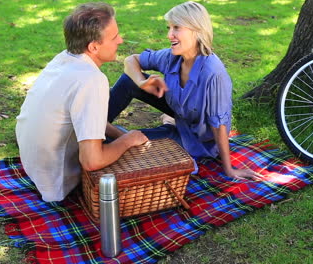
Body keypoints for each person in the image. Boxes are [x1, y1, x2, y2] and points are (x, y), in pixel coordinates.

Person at [106, 1, 259, 180]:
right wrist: (141, 82)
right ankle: (96, 126)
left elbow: (220, 126)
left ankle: (108, 132)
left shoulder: (213, 73)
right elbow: (130, 61)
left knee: (119, 144)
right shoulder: (173, 57)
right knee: (129, 80)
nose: (170, 34)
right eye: (169, 27)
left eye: (177, 27)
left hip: (194, 140)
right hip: (181, 113)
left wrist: (230, 169)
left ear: (197, 30)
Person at [15, 3, 148, 202]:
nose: (120, 40)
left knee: (122, 134)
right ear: (93, 47)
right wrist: (129, 140)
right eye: (114, 37)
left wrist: (121, 134)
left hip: (35, 166)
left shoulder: (63, 59)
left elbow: (80, 117)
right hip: (56, 182)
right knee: (143, 143)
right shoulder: (92, 79)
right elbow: (92, 162)